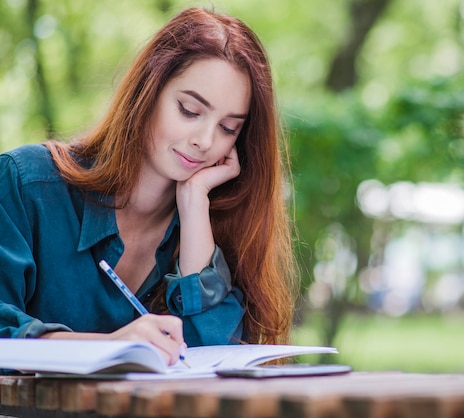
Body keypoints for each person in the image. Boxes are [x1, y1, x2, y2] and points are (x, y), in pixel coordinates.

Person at [0, 7, 296, 366]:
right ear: (148, 92)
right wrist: (108, 347)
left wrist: (194, 213)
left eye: (228, 128)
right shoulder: (26, 184)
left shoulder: (217, 221)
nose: (205, 140)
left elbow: (214, 363)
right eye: (189, 110)